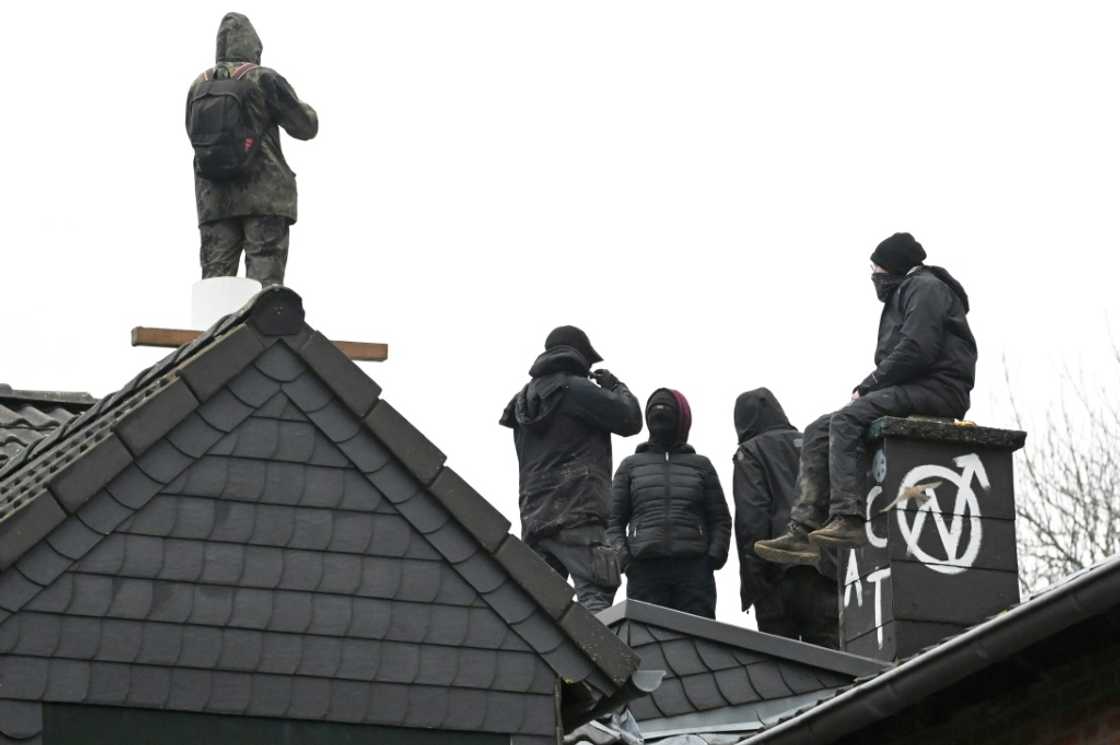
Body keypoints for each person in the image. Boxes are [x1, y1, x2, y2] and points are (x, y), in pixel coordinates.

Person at [755, 233, 977, 563]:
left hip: (938, 388)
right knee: (819, 429)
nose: (874, 274)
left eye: (876, 267)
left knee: (846, 419)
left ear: (895, 265)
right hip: (913, 386)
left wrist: (870, 384)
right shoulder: (906, 290)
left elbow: (918, 348)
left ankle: (849, 519)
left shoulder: (926, 287)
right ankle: (803, 531)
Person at [500, 326, 643, 612]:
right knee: (597, 596)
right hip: (578, 511)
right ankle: (598, 658)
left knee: (542, 612)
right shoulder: (577, 390)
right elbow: (630, 420)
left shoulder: (521, 403)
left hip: (535, 517)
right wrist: (615, 386)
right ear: (579, 357)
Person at [187, 13, 319, 287]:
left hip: (214, 200)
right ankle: (264, 329)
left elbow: (193, 134)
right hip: (265, 198)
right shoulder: (263, 78)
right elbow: (305, 127)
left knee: (216, 284)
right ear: (254, 47)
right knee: (264, 287)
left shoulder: (198, 86)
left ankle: (215, 329)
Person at [608, 388, 732, 619]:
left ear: (682, 418)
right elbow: (613, 522)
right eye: (654, 409)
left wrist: (714, 557)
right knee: (647, 643)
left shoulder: (701, 465)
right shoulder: (630, 466)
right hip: (644, 568)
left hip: (694, 570)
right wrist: (625, 561)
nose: (660, 414)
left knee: (699, 641)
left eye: (667, 409)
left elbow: (720, 519)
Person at [733, 388, 838, 648]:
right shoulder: (814, 442)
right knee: (833, 666)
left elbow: (751, 520)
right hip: (825, 570)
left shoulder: (751, 451)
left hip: (777, 574)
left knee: (782, 670)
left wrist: (756, 584)